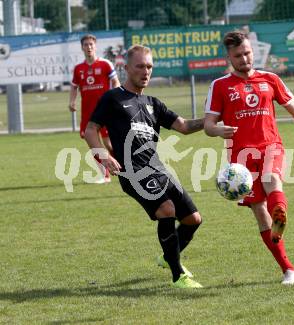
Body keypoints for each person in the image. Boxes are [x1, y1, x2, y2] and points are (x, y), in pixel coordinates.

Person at [204, 31, 294, 285]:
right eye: (238, 55)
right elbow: (208, 124)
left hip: (270, 145)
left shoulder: (270, 79)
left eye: (247, 53)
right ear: (229, 56)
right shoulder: (220, 86)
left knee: (272, 179)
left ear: (252, 51)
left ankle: (280, 211)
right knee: (261, 213)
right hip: (240, 159)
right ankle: (288, 269)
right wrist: (218, 130)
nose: (244, 58)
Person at [84, 45, 205, 289]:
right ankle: (177, 274)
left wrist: (213, 119)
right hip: (132, 172)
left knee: (193, 219)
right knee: (166, 209)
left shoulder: (153, 103)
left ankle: (168, 256)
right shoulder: (113, 98)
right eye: (140, 66)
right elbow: (90, 130)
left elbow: (183, 126)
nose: (145, 71)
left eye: (149, 66)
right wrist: (103, 156)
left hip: (158, 169)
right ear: (126, 68)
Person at [69, 34, 120, 183]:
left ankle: (119, 165)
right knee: (92, 144)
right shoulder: (79, 69)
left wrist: (114, 99)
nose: (89, 47)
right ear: (82, 47)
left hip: (105, 112)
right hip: (87, 113)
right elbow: (74, 87)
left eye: (91, 44)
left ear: (95, 46)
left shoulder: (105, 64)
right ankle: (104, 175)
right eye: (86, 45)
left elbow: (115, 82)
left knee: (109, 144)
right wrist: (72, 102)